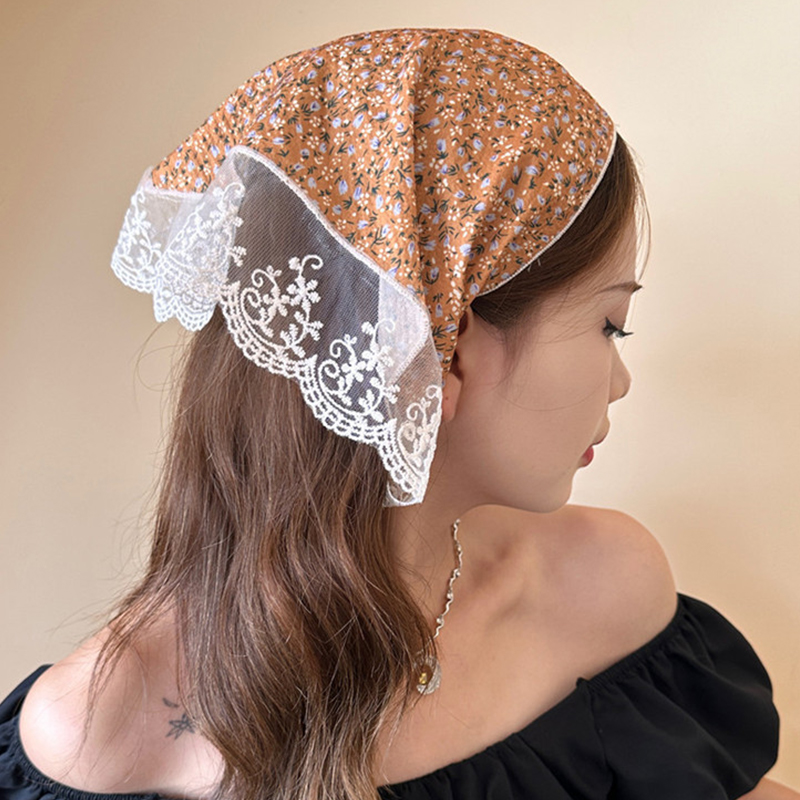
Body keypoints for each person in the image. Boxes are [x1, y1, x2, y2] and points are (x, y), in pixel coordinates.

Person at [0, 26, 791, 800]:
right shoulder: (99, 729)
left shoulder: (605, 587)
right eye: (609, 325)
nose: (619, 381)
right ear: (446, 342)